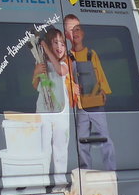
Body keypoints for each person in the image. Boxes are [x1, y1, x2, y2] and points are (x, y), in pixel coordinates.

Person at [64, 14, 116, 171]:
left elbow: (99, 73)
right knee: (82, 140)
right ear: (68, 35)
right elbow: (66, 78)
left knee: (105, 137)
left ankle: (111, 170)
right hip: (81, 106)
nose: (76, 33)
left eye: (78, 29)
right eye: (72, 30)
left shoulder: (91, 54)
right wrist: (72, 89)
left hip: (96, 103)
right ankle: (85, 170)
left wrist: (104, 92)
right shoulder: (68, 57)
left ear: (83, 33)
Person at [31, 27, 73, 185]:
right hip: (43, 112)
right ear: (48, 43)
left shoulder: (65, 62)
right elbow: (36, 86)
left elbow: (60, 72)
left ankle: (60, 185)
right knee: (44, 149)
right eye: (55, 43)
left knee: (60, 149)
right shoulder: (41, 62)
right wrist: (36, 71)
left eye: (62, 43)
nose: (60, 47)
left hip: (61, 113)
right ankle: (42, 182)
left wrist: (48, 51)